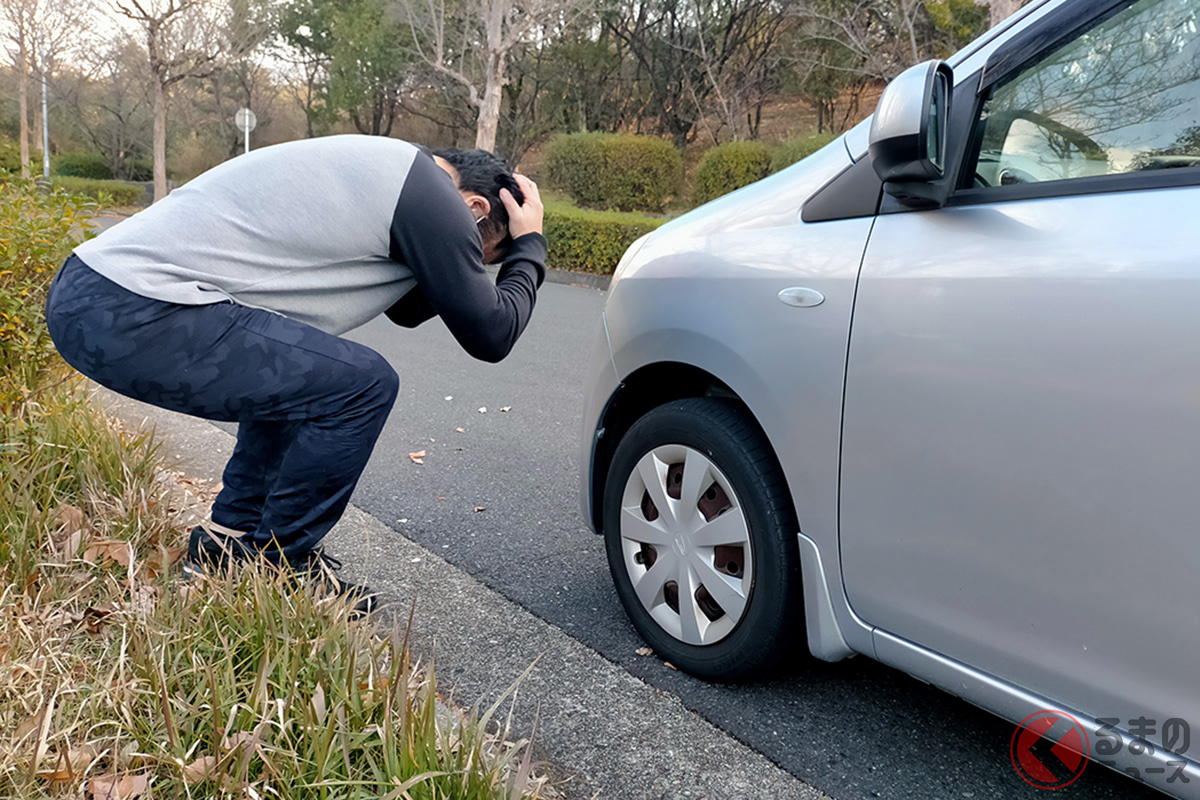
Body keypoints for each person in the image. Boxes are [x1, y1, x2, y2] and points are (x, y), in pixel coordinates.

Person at [45, 135, 546, 613]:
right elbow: (491, 334)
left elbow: (411, 310)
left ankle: (230, 544)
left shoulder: (397, 175)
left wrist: (484, 258)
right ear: (476, 209)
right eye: (482, 256)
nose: (472, 266)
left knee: (308, 370)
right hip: (133, 308)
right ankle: (281, 565)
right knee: (363, 386)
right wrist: (530, 246)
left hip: (97, 296)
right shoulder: (433, 197)